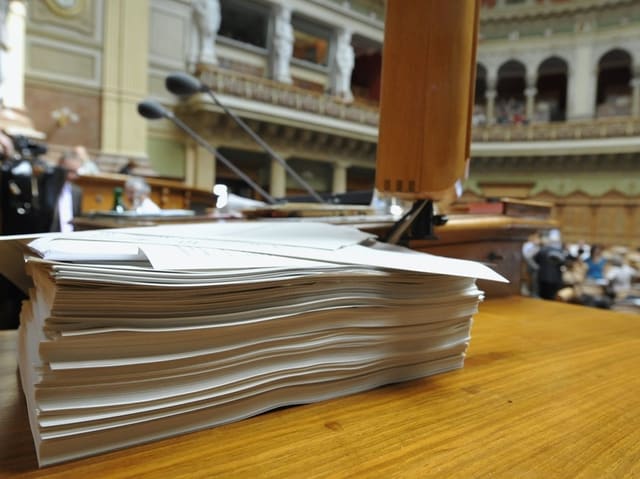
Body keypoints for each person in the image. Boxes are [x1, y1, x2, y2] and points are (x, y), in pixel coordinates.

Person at [49, 149, 83, 232]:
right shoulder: (47, 188)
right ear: (59, 167)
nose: (72, 176)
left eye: (75, 172)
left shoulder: (77, 191)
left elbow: (76, 218)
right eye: (68, 171)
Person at [533, 229, 567, 300]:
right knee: (553, 299)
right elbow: (564, 263)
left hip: (543, 278)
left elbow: (536, 259)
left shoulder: (543, 250)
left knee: (543, 298)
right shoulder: (560, 252)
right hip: (555, 279)